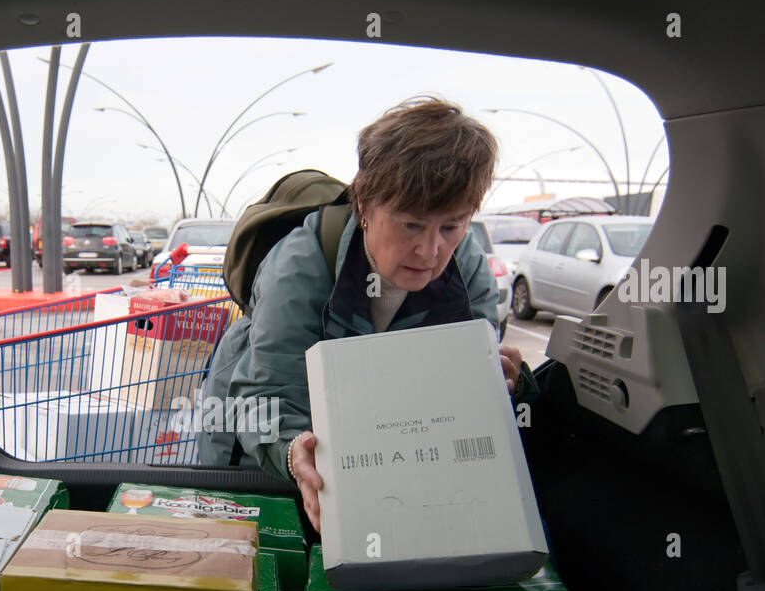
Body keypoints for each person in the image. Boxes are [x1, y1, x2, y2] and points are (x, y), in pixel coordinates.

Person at [197, 96, 536, 532]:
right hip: (251, 446)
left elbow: (454, 396)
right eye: (411, 224)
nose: (431, 251)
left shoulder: (467, 264)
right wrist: (291, 449)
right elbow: (268, 395)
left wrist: (501, 386)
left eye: (451, 226)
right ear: (363, 202)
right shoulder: (298, 266)